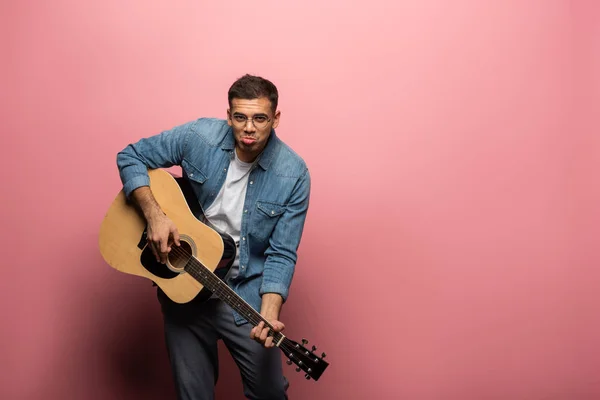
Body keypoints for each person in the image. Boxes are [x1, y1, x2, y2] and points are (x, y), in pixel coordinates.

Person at [115, 74, 311, 400]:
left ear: (275, 118)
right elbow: (130, 156)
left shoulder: (294, 174)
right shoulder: (199, 137)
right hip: (184, 292)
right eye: (240, 117)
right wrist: (155, 216)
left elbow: (282, 253)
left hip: (243, 295)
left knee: (271, 393)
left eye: (260, 118)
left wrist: (270, 314)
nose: (249, 128)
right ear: (228, 115)